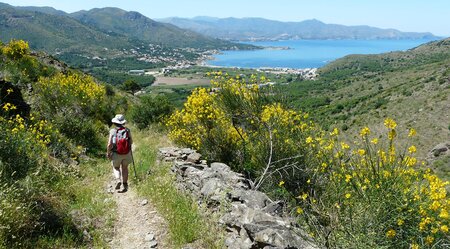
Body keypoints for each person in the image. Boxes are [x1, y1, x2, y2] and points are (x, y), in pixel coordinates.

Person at [107, 114, 133, 192]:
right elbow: (131, 141)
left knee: (116, 167)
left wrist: (108, 153)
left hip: (116, 153)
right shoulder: (127, 130)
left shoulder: (112, 131)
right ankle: (125, 184)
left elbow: (109, 144)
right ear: (123, 122)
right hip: (126, 153)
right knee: (125, 168)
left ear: (115, 122)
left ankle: (118, 180)